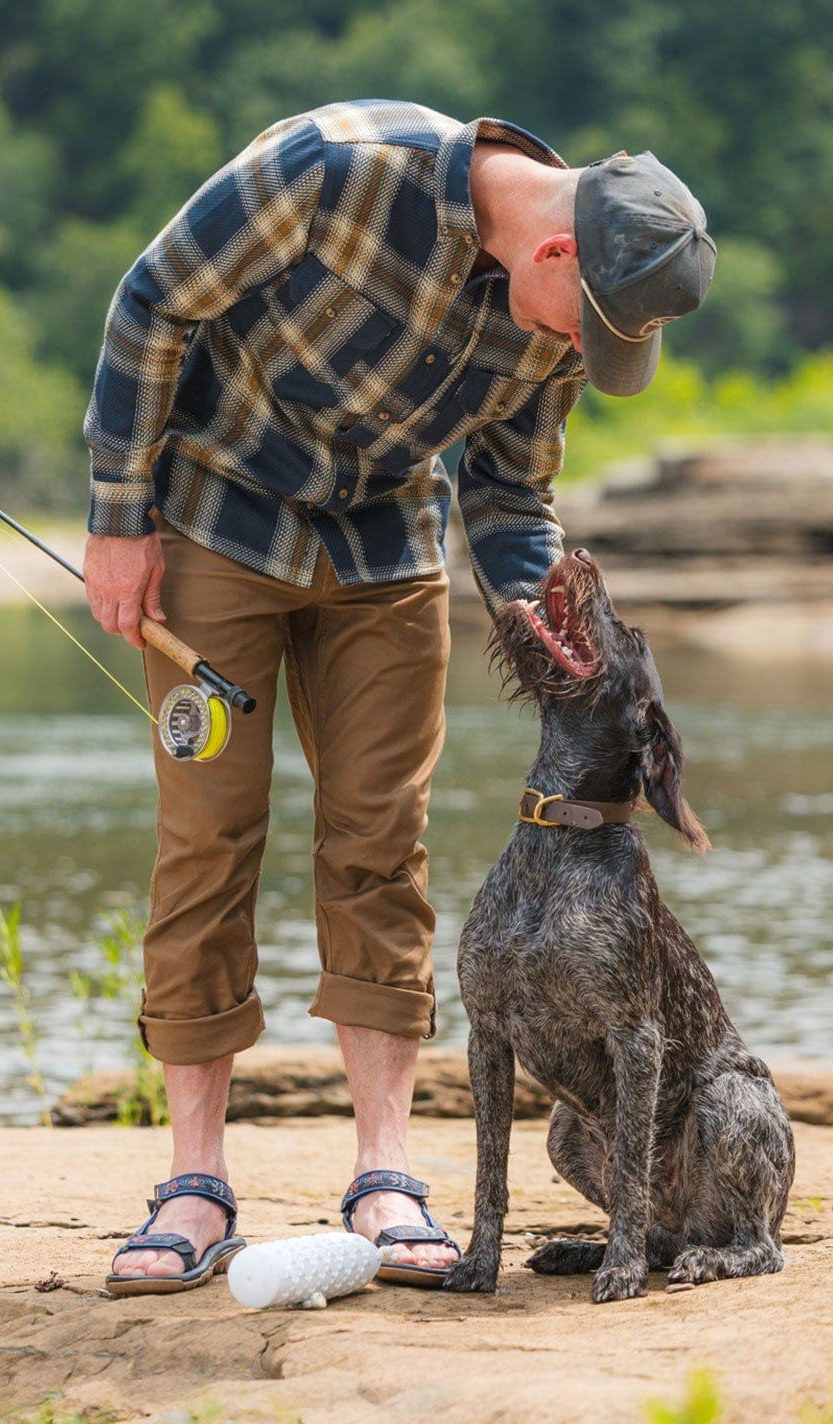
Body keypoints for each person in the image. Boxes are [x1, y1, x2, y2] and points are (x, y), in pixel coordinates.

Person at [82, 100, 715, 1291]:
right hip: (218, 513)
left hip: (386, 550)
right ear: (556, 250)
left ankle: (383, 1173)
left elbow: (512, 496)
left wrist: (549, 620)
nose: (583, 349)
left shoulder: (561, 320)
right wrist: (119, 520)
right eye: (588, 324)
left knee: (381, 838)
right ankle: (193, 1183)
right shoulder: (326, 174)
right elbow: (151, 300)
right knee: (208, 835)